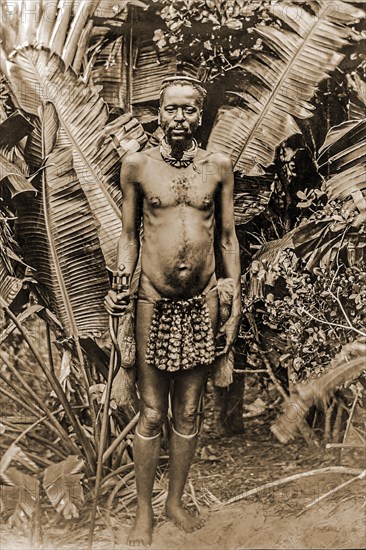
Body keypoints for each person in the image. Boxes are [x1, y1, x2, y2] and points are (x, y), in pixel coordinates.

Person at [105, 75, 242, 547]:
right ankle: (143, 512)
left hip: (203, 300)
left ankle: (174, 503)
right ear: (158, 114)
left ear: (198, 114)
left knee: (188, 411)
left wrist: (234, 301)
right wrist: (119, 286)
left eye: (188, 110)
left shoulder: (218, 167)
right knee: (150, 412)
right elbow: (128, 237)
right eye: (171, 109)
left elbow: (226, 238)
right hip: (151, 300)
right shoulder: (137, 166)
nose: (179, 118)